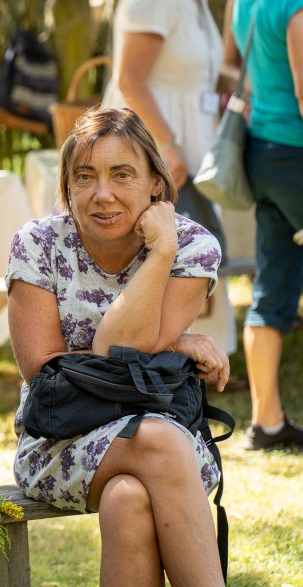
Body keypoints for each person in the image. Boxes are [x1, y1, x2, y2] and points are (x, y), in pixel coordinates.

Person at [6, 108, 238, 587]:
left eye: (121, 174)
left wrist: (163, 249)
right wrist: (172, 338)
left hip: (168, 446)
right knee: (154, 439)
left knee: (129, 499)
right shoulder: (39, 244)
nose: (101, 194)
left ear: (157, 183)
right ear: (66, 186)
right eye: (84, 177)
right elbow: (49, 371)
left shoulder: (192, 245)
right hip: (60, 440)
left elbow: (109, 353)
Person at [101, 0, 238, 356]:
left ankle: (201, 356)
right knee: (156, 254)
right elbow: (129, 80)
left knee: (194, 248)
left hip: (191, 153)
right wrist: (168, 146)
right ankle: (147, 354)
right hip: (153, 154)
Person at [226, 0, 303, 449]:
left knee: (271, 285)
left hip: (263, 154)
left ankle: (267, 421)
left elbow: (237, 68)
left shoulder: (243, 2)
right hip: (295, 155)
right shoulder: (293, 9)